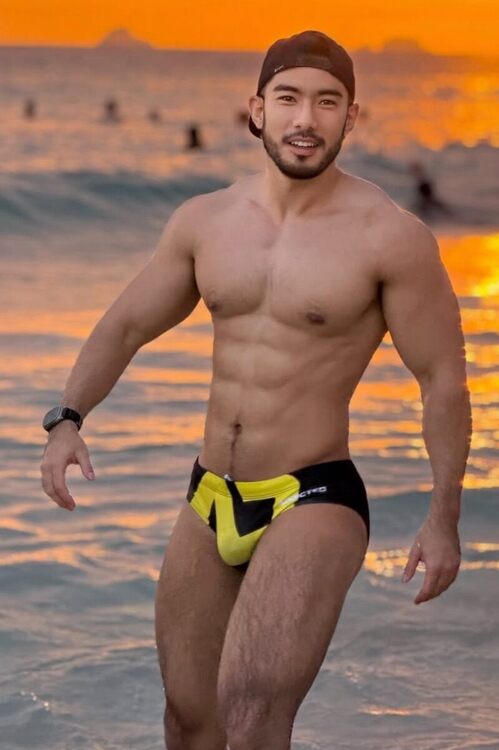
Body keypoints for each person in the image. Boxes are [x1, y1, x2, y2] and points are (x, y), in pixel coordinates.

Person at [40, 29, 472, 750]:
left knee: (251, 717)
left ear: (351, 117)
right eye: (289, 98)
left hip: (314, 495)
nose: (306, 119)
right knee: (188, 721)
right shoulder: (205, 221)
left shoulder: (389, 237)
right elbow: (125, 326)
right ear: (257, 109)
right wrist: (67, 418)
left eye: (326, 103)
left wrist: (443, 515)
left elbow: (442, 380)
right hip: (209, 494)